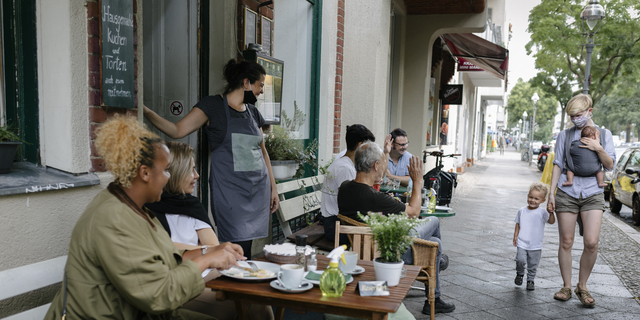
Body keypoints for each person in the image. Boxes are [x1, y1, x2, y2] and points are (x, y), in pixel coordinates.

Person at [45, 116, 244, 319]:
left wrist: (211, 250)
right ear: (145, 173)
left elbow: (164, 256)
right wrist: (206, 261)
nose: (169, 177)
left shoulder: (135, 208)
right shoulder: (114, 219)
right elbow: (158, 295)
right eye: (166, 170)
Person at [143, 59, 279, 257]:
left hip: (257, 189)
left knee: (246, 247)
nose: (261, 90)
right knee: (239, 248)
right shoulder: (213, 106)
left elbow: (263, 152)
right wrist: (145, 111)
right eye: (260, 85)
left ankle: (242, 282)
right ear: (246, 83)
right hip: (231, 191)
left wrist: (273, 188)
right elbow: (176, 130)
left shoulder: (253, 112)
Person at [145, 141, 274, 320]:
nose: (197, 176)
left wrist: (205, 251)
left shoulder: (191, 205)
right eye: (191, 170)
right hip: (178, 285)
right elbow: (166, 248)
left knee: (258, 296)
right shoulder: (147, 209)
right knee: (251, 301)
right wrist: (203, 251)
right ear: (174, 173)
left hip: (205, 276)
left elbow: (213, 247)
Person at [338, 141, 455, 314]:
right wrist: (417, 181)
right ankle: (434, 295)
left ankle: (436, 287)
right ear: (375, 165)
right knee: (434, 222)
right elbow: (414, 212)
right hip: (388, 253)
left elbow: (367, 200)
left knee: (435, 242)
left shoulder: (344, 188)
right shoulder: (377, 199)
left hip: (358, 249)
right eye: (382, 163)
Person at [547, 94, 615, 306]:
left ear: (590, 111)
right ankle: (566, 286)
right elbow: (558, 163)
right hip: (568, 192)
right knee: (566, 241)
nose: (575, 119)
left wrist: (598, 147)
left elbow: (610, 165)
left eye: (578, 114)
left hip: (593, 193)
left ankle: (582, 286)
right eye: (572, 116)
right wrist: (551, 192)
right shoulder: (565, 135)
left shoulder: (604, 134)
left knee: (591, 242)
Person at [320, 124, 376, 243]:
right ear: (359, 145)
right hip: (335, 226)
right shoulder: (345, 169)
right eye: (369, 148)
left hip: (334, 222)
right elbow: (350, 204)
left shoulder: (344, 164)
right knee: (376, 236)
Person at [513, 182, 555, 291]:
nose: (533, 200)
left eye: (536, 199)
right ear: (527, 196)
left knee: (533, 264)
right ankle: (520, 273)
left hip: (536, 244)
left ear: (542, 201)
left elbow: (551, 222)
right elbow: (518, 224)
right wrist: (515, 236)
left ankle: (530, 280)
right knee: (520, 260)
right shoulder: (522, 211)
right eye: (531, 197)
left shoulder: (542, 212)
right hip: (522, 242)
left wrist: (551, 213)